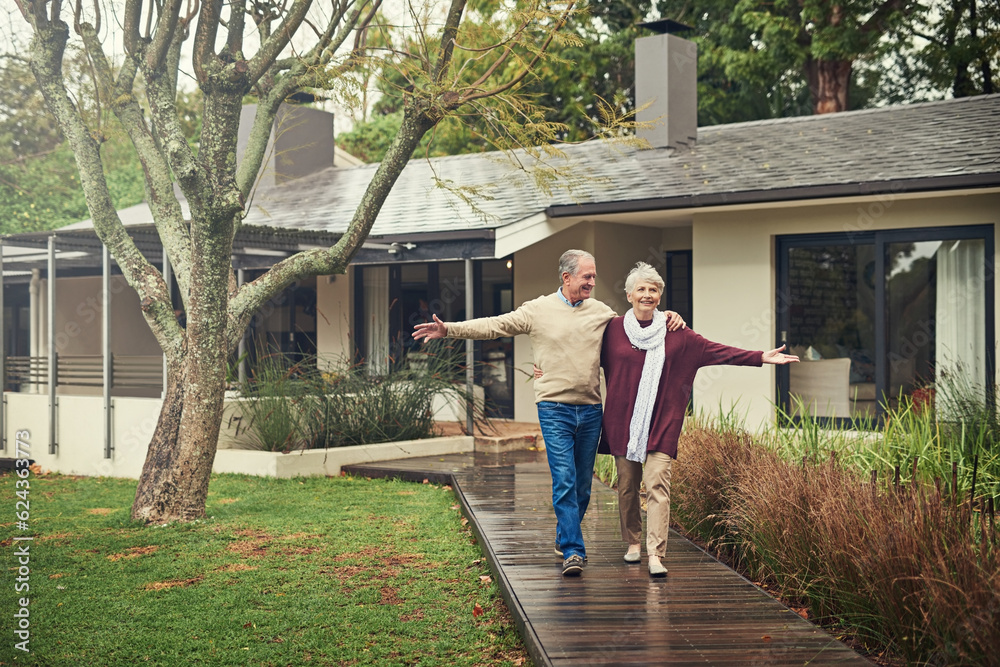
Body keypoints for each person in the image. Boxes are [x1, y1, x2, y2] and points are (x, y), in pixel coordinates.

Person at [412, 250, 685, 577]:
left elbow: (635, 331)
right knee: (564, 479)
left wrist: (668, 317)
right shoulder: (537, 310)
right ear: (566, 277)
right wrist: (450, 330)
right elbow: (494, 325)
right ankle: (573, 550)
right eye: (587, 276)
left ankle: (563, 535)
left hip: (590, 409)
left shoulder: (601, 313)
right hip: (554, 408)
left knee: (583, 485)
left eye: (594, 276)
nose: (592, 282)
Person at [599, 262, 798, 577]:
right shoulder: (611, 330)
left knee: (657, 484)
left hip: (661, 425)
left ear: (660, 295)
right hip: (623, 424)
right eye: (641, 289)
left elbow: (716, 351)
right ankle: (633, 543)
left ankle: (656, 553)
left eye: (653, 290)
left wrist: (760, 356)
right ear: (629, 295)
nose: (647, 295)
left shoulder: (678, 334)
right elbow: (582, 354)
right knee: (627, 486)